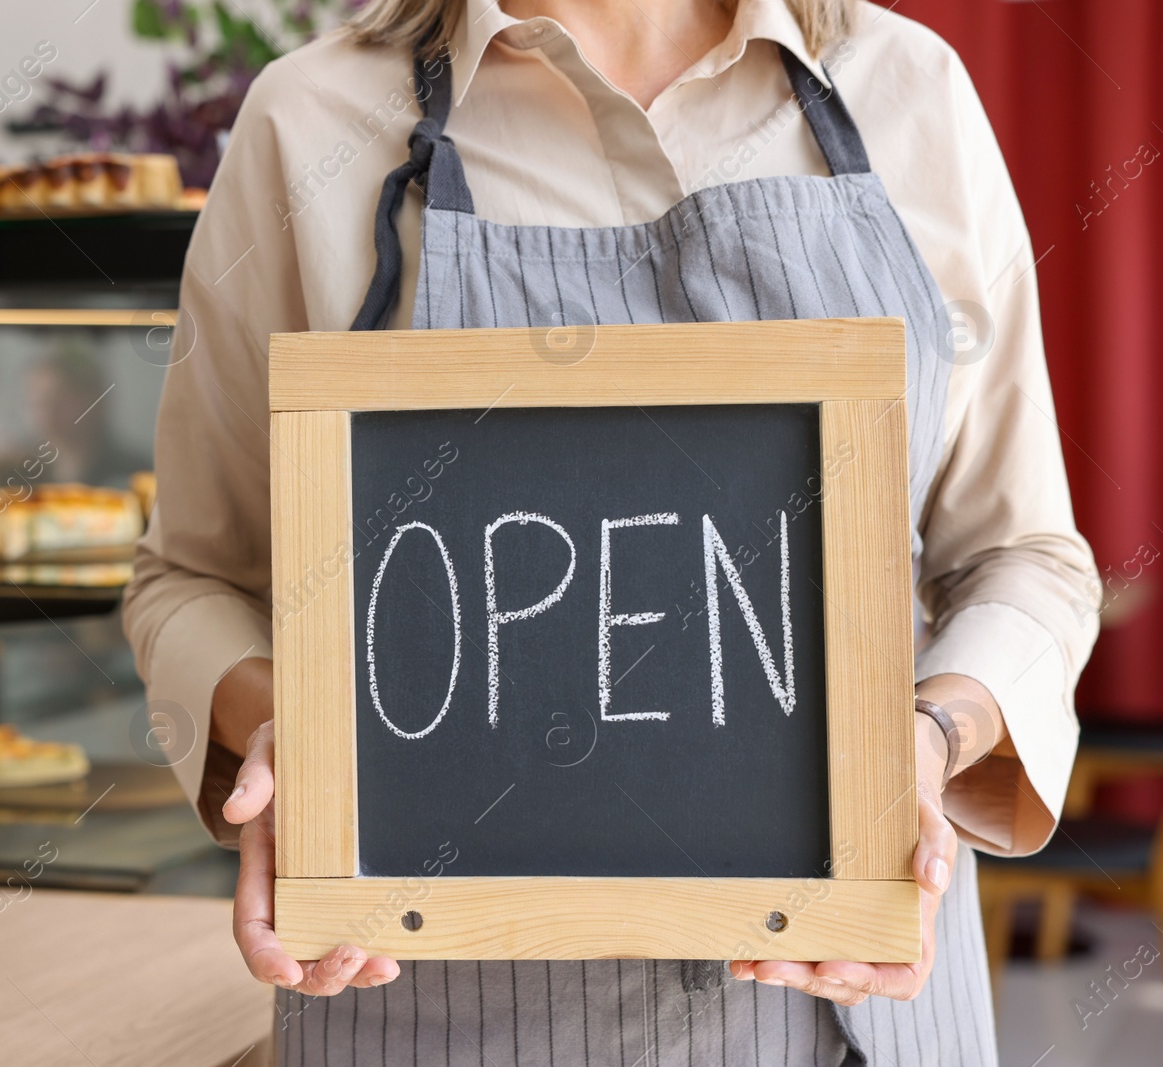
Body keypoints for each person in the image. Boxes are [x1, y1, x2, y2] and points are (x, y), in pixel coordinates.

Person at [122, 0, 1099, 1061]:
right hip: (442, 1014)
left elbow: (1024, 558)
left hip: (856, 1007)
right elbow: (189, 577)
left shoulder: (908, 89)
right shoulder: (310, 120)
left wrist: (930, 737)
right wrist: (301, 737)